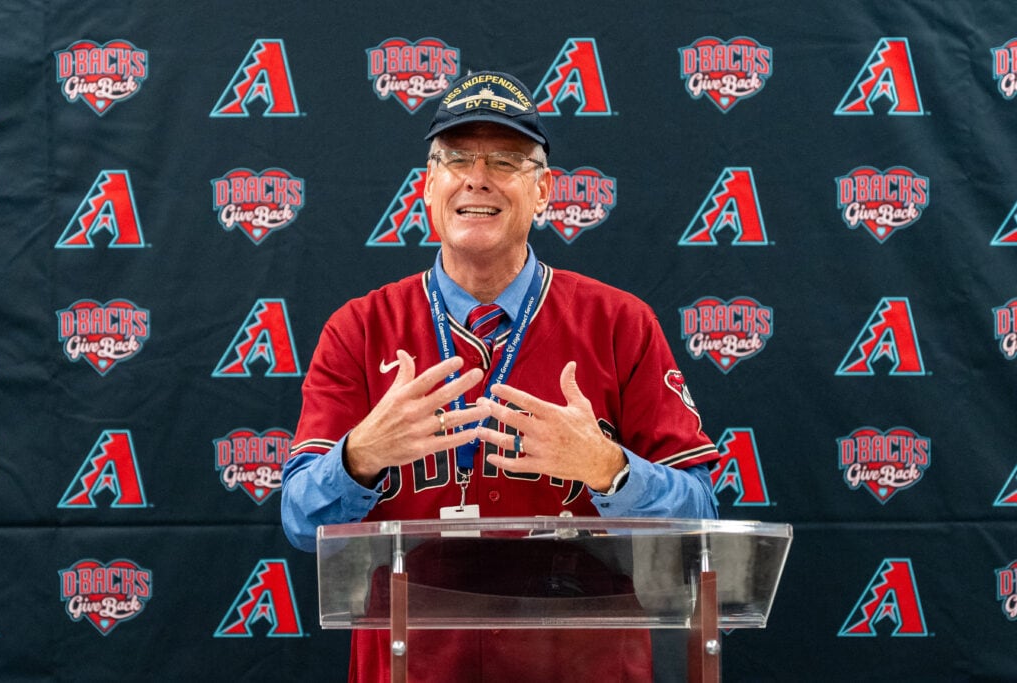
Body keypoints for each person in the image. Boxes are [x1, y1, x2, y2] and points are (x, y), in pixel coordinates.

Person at [281, 70, 720, 682]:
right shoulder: (359, 328)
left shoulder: (619, 322)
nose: (477, 177)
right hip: (414, 669)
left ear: (544, 191)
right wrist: (360, 456)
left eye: (507, 160)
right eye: (456, 157)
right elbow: (301, 523)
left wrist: (609, 471)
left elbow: (703, 519)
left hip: (584, 668)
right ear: (427, 187)